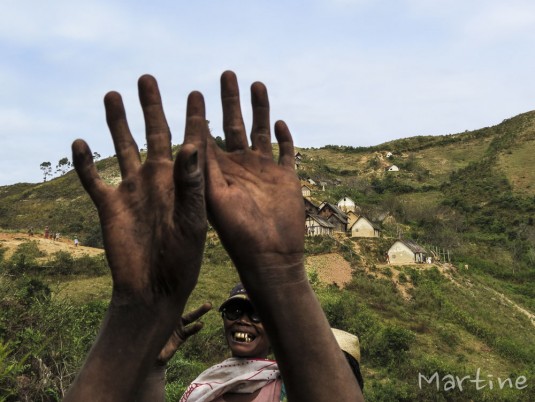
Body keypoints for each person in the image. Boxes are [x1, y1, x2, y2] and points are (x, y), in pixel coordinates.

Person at [64, 71, 363, 401]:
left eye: (255, 313)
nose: (243, 321)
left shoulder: (284, 386)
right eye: (234, 311)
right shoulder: (207, 386)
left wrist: (280, 276)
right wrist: (140, 316)